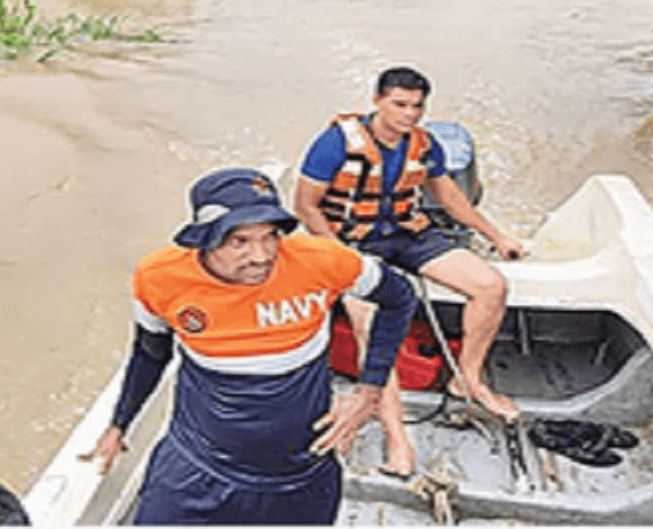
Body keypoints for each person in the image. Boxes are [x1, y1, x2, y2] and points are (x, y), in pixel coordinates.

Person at [82, 167, 419, 525]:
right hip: (199, 465)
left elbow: (399, 297)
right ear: (205, 239)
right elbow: (150, 353)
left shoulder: (322, 261)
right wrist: (120, 424)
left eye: (270, 236)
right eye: (238, 241)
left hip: (299, 471)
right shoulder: (159, 278)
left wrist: (369, 392)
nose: (261, 256)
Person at [294, 65, 524, 478]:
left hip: (405, 234)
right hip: (354, 242)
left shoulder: (424, 144)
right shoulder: (334, 144)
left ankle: (467, 380)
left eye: (417, 106)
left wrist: (497, 235)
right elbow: (306, 206)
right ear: (378, 101)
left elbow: (451, 199)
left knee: (491, 286)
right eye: (399, 105)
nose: (409, 115)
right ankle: (397, 438)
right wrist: (341, 256)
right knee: (372, 325)